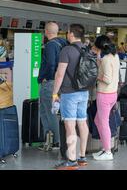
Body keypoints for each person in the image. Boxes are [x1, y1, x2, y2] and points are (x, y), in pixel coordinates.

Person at [52, 24, 90, 170]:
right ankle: (82, 157)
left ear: (71, 34)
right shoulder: (87, 48)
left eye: (68, 33)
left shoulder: (66, 50)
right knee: (82, 122)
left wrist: (55, 93)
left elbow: (60, 74)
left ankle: (71, 160)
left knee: (70, 125)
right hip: (84, 92)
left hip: (69, 93)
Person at [37, 22, 67, 151]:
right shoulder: (64, 43)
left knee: (47, 111)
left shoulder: (50, 45)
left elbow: (50, 64)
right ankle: (55, 140)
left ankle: (54, 141)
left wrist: (45, 77)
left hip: (50, 82)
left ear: (46, 32)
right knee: (55, 111)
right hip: (61, 83)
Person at [91, 35, 120, 161]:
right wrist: (99, 60)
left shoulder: (106, 59)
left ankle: (108, 152)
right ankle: (105, 148)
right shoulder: (114, 56)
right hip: (112, 94)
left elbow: (107, 79)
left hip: (105, 94)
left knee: (103, 123)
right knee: (98, 121)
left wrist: (95, 76)